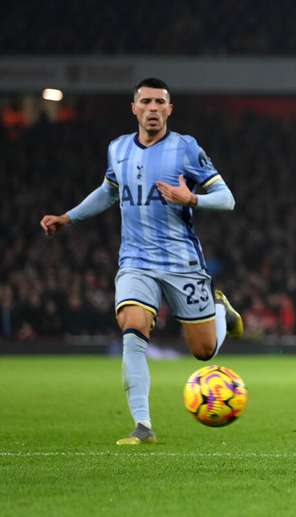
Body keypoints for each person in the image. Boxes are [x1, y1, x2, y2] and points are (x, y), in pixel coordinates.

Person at [40, 78, 244, 445]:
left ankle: (221, 314)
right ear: (134, 108)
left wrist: (191, 199)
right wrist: (68, 218)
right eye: (146, 102)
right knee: (133, 329)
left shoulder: (186, 148)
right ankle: (143, 425)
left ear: (170, 110)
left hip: (182, 262)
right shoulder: (117, 149)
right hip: (136, 261)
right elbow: (108, 192)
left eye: (159, 102)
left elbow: (227, 198)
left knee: (203, 351)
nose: (152, 108)